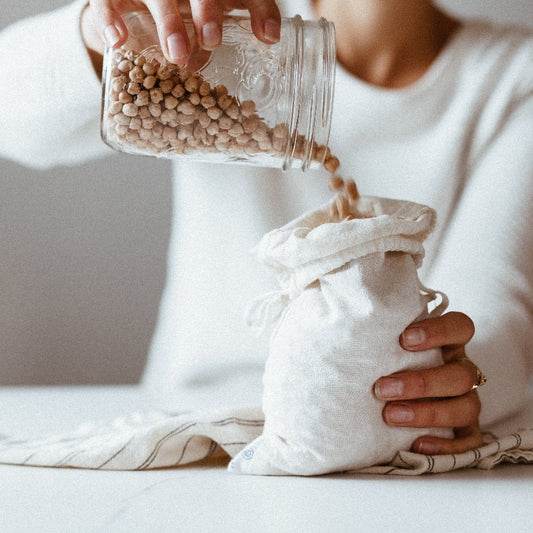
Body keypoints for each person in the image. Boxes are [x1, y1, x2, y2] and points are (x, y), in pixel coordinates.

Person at [1, 0, 532, 457]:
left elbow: (496, 303)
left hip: (371, 427)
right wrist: (104, 32)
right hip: (188, 429)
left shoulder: (514, 77)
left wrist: (454, 372)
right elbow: (12, 118)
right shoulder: (228, 32)